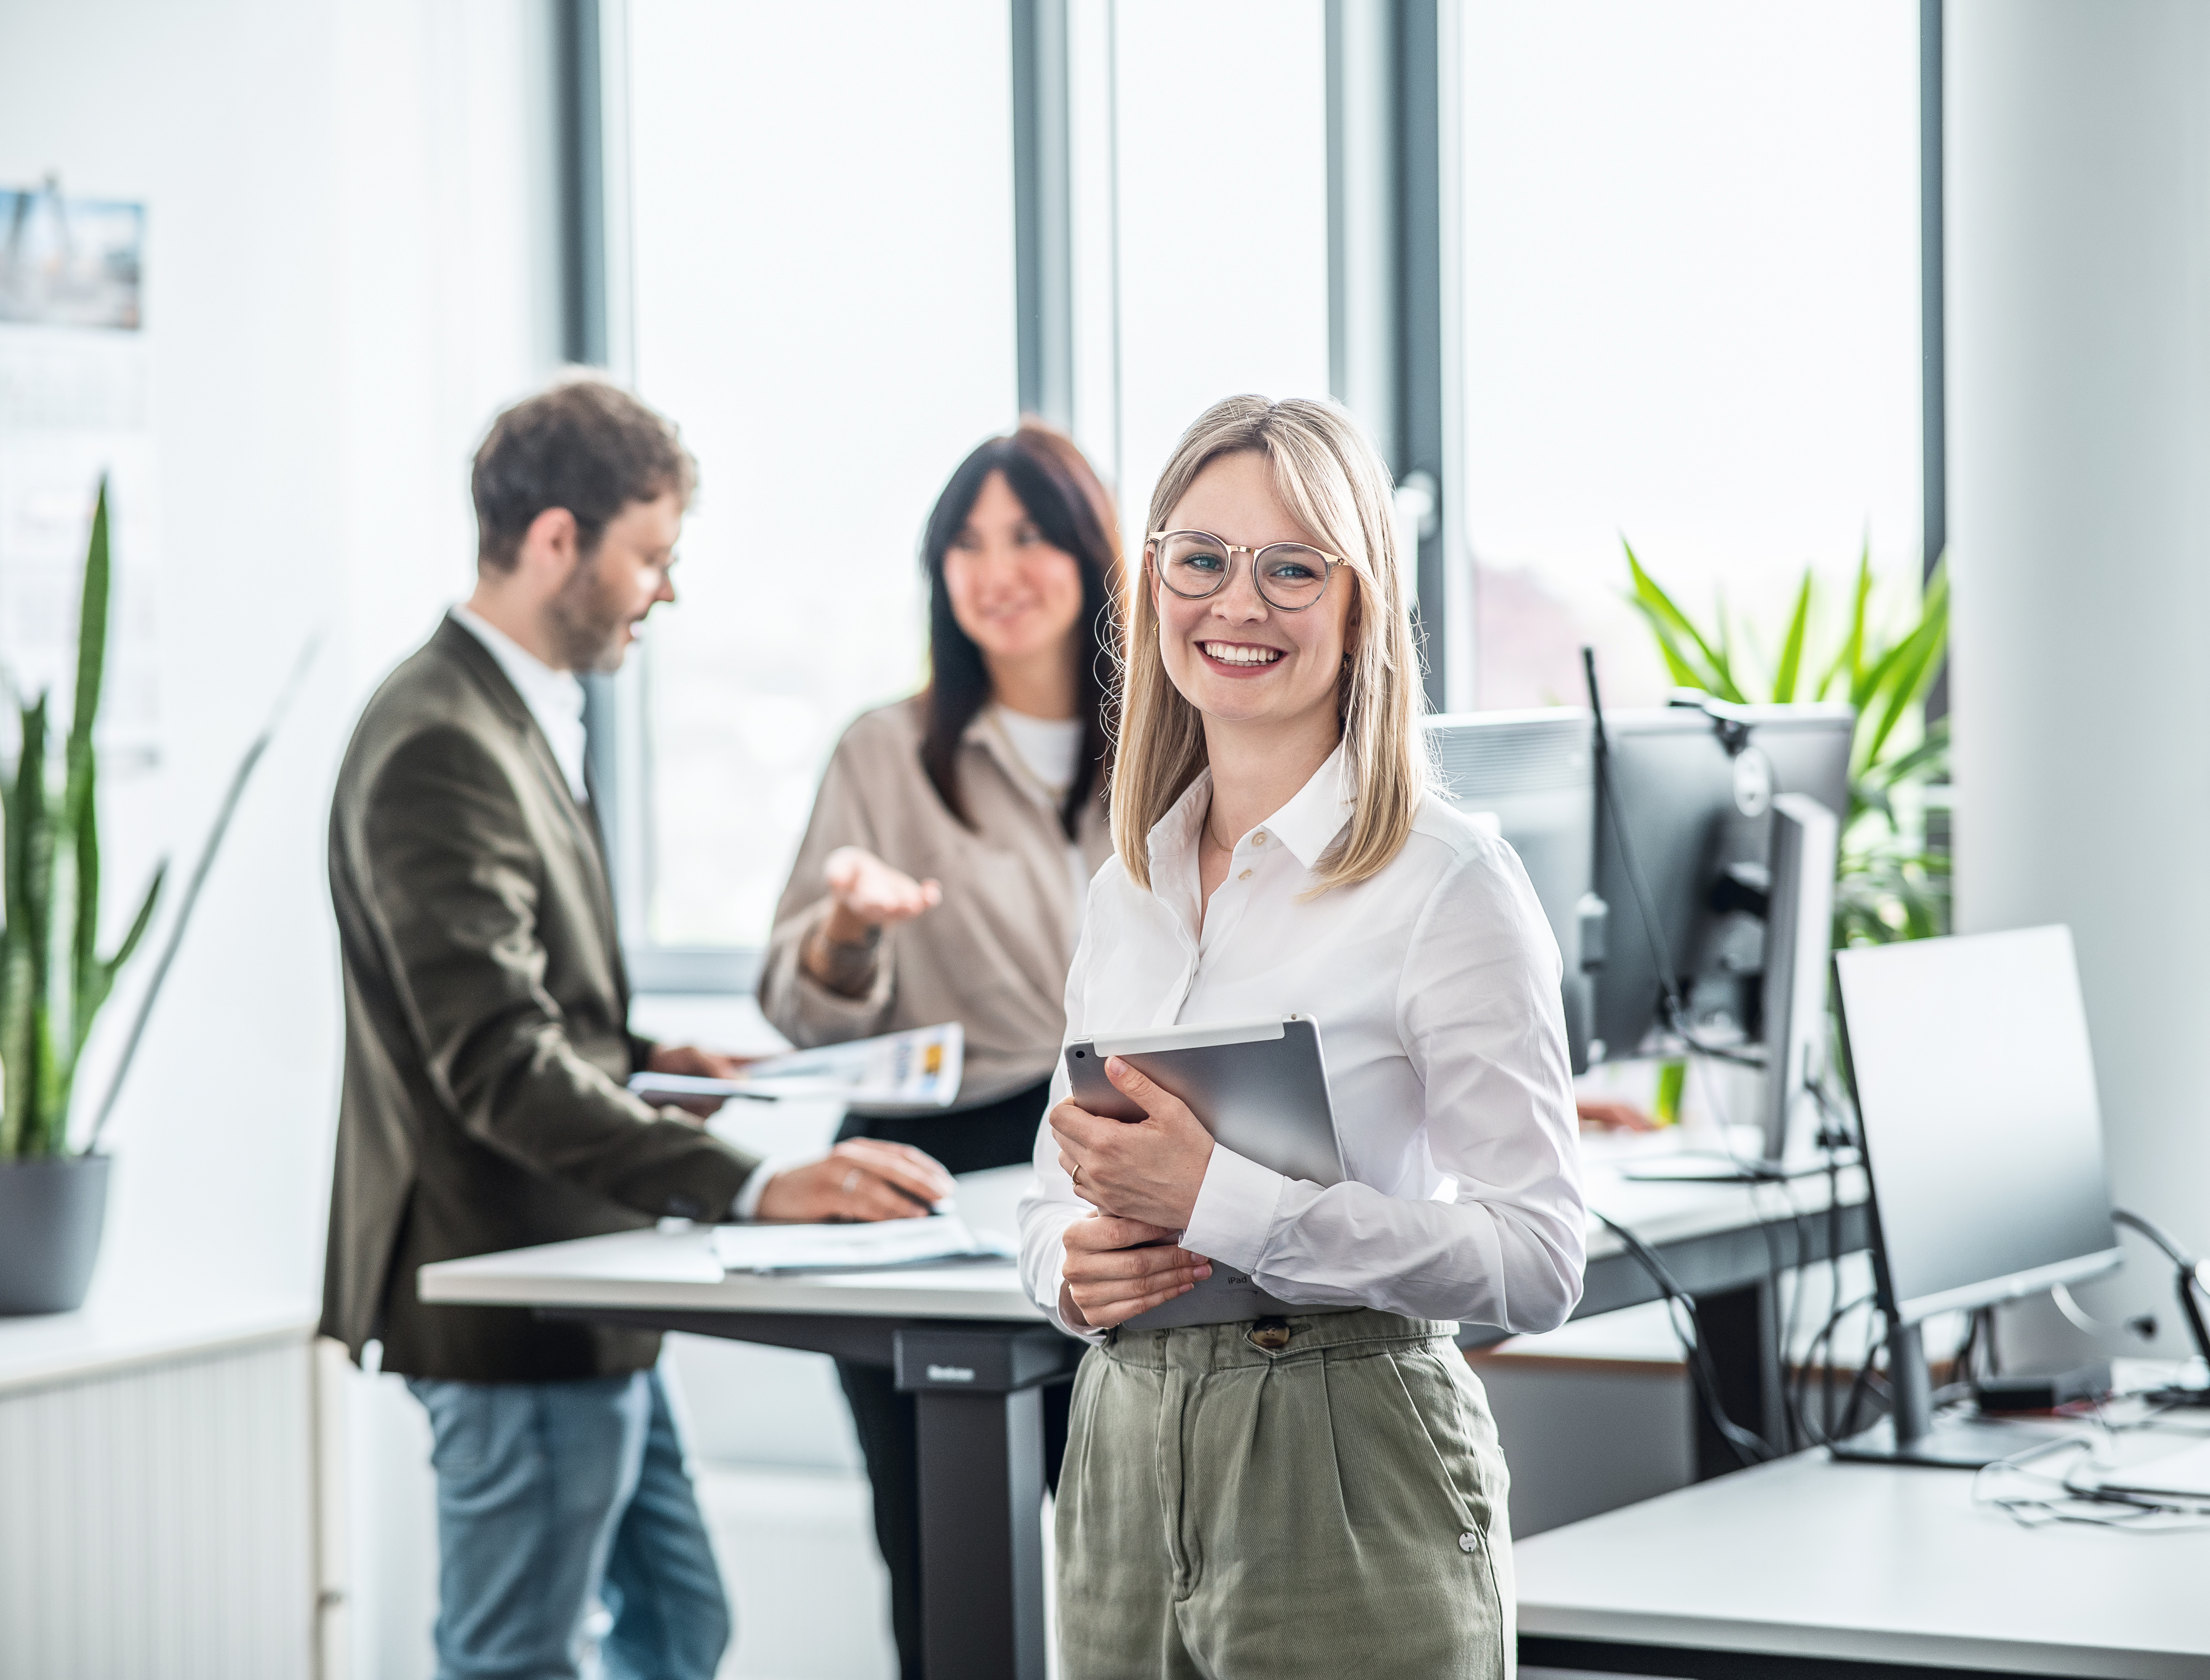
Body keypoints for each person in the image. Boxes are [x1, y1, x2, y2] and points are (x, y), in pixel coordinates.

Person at [320, 377, 954, 1680]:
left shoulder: (511, 714)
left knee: (679, 1626)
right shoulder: (441, 742)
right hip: (516, 1293)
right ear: (558, 540)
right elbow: (495, 1059)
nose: (662, 592)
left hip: (582, 1279)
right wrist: (755, 1187)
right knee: (517, 1659)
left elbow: (530, 1002)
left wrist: (659, 1064)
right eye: (649, 557)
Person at [1015, 395, 1590, 1679]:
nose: (1237, 604)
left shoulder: (1448, 881)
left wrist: (1228, 1203)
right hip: (1119, 1449)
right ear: (1153, 580)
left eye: (1293, 568)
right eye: (1201, 559)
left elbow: (1542, 1258)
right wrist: (1064, 1269)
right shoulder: (1130, 884)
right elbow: (1050, 1188)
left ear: (1360, 604)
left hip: (1344, 1450)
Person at [757, 417, 1121, 1680]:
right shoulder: (886, 752)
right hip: (923, 1170)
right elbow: (797, 1015)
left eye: (1027, 537)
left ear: (1090, 558)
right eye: (965, 544)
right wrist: (848, 933)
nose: (995, 570)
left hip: (1110, 1170)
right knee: (941, 1573)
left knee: (1125, 1566)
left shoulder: (1171, 744)